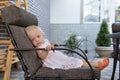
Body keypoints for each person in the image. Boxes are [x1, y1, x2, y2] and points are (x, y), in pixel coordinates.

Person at [25, 25, 109, 70]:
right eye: (33, 39)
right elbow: (42, 56)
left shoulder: (46, 41)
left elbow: (50, 46)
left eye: (38, 36)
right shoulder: (38, 48)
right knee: (78, 62)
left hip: (60, 58)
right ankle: (98, 64)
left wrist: (53, 44)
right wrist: (46, 50)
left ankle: (96, 66)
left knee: (80, 60)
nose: (36, 40)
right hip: (55, 61)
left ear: (43, 35)